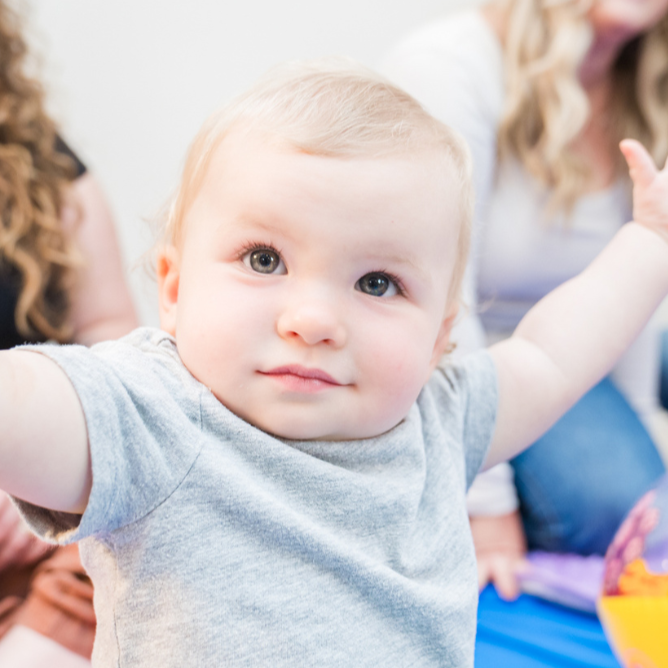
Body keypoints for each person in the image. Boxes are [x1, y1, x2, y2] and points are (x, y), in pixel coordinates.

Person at [0, 59, 666, 667]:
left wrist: (649, 243)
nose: (313, 321)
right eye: (264, 260)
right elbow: (26, 404)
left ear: (438, 337)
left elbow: (552, 353)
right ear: (173, 290)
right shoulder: (151, 416)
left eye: (377, 283)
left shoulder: (437, 419)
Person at [383, 0, 668, 599]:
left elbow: (638, 268)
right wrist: (484, 504)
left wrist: (639, 414)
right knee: (616, 501)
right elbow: (435, 300)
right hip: (480, 344)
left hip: (589, 331)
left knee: (644, 489)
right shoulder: (451, 66)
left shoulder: (644, 80)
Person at [0, 1, 137, 664]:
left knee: (131, 533)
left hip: (38, 525)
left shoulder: (49, 171)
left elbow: (112, 338)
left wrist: (36, 478)